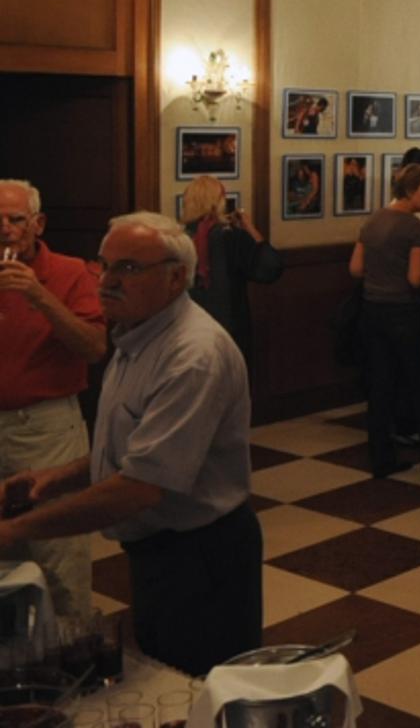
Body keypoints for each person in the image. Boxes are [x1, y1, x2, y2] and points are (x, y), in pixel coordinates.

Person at [0, 212, 260, 675]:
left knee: (200, 683)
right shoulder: (138, 332)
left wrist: (15, 531)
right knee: (166, 667)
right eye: (104, 265)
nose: (107, 281)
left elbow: (140, 487)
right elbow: (129, 450)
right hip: (159, 550)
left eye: (129, 268)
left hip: (201, 555)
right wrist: (52, 479)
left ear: (176, 277)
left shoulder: (192, 355)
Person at [0, 179, 106, 618]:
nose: (5, 229)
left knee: (57, 553)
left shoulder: (69, 272)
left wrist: (38, 295)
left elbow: (94, 347)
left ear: (38, 224)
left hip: (43, 429)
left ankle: (70, 647)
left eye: (15, 219)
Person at [349, 163, 420, 478]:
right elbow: (416, 278)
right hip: (404, 312)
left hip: (371, 309)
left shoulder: (373, 220)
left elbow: (356, 268)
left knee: (380, 386)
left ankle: (381, 458)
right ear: (410, 189)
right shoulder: (416, 228)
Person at [178, 175, 283, 357]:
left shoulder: (178, 239)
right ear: (219, 203)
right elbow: (270, 268)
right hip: (229, 327)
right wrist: (249, 227)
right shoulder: (232, 237)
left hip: (187, 326)